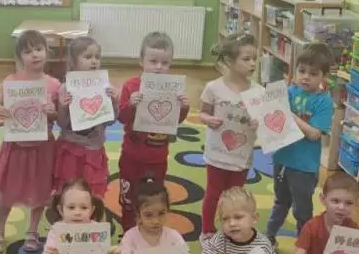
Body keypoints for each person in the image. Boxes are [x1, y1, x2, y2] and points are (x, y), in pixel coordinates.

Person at [0, 30, 59, 253]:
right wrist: (0, 110)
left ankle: (32, 230)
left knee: (41, 191)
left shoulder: (54, 85)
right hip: (16, 147)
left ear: (46, 52)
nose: (35, 55)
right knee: (7, 191)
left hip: (43, 148)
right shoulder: (10, 82)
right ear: (19, 57)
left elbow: (59, 116)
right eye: (28, 52)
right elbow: (1, 107)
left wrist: (52, 112)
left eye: (38, 49)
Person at [117, 32, 189, 230]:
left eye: (164, 63)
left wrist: (184, 107)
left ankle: (151, 230)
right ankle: (128, 232)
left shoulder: (173, 89)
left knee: (155, 198)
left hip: (158, 157)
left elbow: (175, 121)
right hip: (132, 155)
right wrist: (130, 104)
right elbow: (121, 117)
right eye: (153, 61)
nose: (158, 67)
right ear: (141, 61)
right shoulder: (131, 86)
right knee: (129, 198)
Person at [265, 44, 334, 245]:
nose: (305, 77)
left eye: (313, 73)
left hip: (304, 166)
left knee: (302, 209)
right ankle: (268, 237)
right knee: (280, 202)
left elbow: (314, 134)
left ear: (324, 77)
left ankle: (304, 244)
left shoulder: (323, 102)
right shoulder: (288, 92)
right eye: (302, 71)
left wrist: (291, 115)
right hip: (282, 159)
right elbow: (271, 118)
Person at [198, 32, 260, 240]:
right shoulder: (213, 87)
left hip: (242, 154)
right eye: (246, 59)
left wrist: (258, 123)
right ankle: (207, 230)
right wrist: (208, 119)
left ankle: (233, 227)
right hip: (217, 152)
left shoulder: (258, 92)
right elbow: (202, 113)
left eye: (254, 59)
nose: (252, 64)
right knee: (213, 193)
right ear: (229, 61)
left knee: (235, 196)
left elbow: (264, 123)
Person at [54, 36, 118, 197]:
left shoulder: (105, 87)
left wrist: (114, 101)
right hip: (71, 148)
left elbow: (111, 121)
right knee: (69, 190)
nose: (94, 61)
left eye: (97, 57)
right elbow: (62, 124)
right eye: (88, 57)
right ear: (74, 62)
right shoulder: (65, 89)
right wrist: (63, 106)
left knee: (93, 191)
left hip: (94, 149)